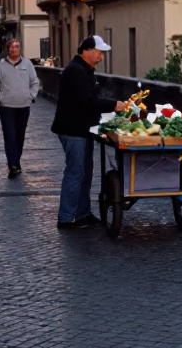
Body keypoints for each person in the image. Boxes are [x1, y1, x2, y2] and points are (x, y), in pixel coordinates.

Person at [50, 35, 126, 229]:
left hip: (82, 129)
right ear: (87, 51)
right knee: (76, 173)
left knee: (85, 173)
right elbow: (87, 102)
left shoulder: (84, 70)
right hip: (73, 130)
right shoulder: (75, 72)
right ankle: (66, 217)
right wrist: (114, 105)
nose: (101, 57)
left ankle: (83, 213)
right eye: (99, 53)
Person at [0, 39, 41, 178]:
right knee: (9, 136)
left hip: (24, 105)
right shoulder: (0, 66)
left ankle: (16, 162)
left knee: (20, 136)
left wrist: (30, 95)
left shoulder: (28, 64)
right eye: (11, 48)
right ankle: (12, 165)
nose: (14, 50)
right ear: (7, 50)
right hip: (7, 107)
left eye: (16, 47)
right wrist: (1, 98)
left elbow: (35, 82)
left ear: (20, 49)